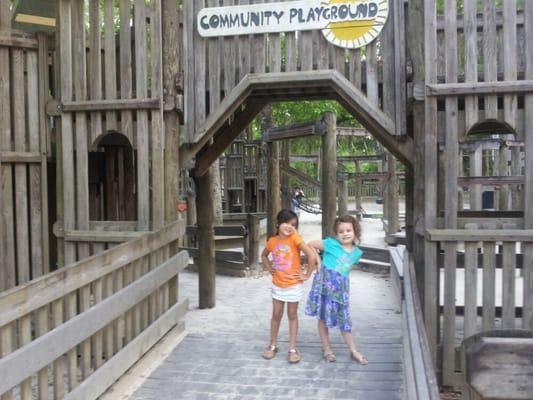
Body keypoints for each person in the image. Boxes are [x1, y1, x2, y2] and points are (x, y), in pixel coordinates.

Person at [305, 214, 369, 364]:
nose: (345, 234)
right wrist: (318, 262)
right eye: (341, 231)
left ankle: (354, 350)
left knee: (344, 319)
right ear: (336, 233)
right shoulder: (330, 244)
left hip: (341, 292)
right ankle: (327, 349)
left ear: (355, 232)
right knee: (322, 318)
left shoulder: (357, 253)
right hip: (324, 288)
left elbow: (347, 270)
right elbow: (310, 245)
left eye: (348, 230)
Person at [261, 209, 316, 363]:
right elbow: (264, 255)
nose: (289, 227)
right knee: (276, 315)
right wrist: (269, 267)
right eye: (286, 223)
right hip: (278, 285)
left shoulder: (295, 239)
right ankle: (272, 345)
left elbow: (311, 255)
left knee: (292, 316)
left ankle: (292, 348)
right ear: (278, 222)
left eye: (293, 225)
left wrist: (306, 274)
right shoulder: (272, 241)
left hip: (293, 286)